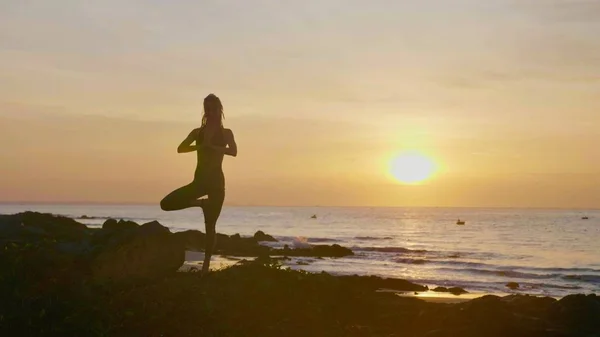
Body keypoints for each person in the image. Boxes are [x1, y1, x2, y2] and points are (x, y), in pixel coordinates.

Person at [160, 93, 237, 273]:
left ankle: (205, 267)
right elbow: (181, 148)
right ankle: (200, 203)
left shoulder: (226, 133)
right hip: (199, 181)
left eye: (213, 109)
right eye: (207, 109)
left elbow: (233, 151)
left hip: (216, 183)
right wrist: (199, 147)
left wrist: (215, 148)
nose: (210, 112)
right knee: (166, 203)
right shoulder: (197, 133)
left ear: (220, 110)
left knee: (210, 226)